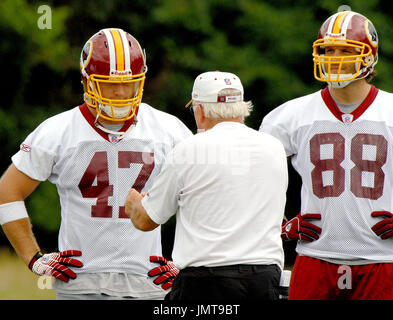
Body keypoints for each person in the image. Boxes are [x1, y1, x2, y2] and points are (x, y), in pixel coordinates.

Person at [0, 28, 192, 300]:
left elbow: (203, 195)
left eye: (130, 82)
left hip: (149, 284)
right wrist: (33, 257)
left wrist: (188, 261)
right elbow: (7, 192)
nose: (122, 92)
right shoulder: (59, 130)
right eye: (110, 84)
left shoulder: (168, 129)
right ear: (87, 81)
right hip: (81, 284)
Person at [260, 10, 393, 300]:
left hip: (383, 259)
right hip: (315, 255)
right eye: (327, 49)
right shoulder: (290, 115)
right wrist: (277, 223)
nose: (333, 57)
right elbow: (252, 177)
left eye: (344, 50)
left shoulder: (390, 112)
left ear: (369, 57)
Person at [124, 71, 288, 300]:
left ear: (200, 110)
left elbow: (146, 220)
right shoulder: (274, 147)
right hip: (264, 279)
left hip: (206, 282)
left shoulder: (189, 149)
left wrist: (134, 203)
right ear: (241, 107)